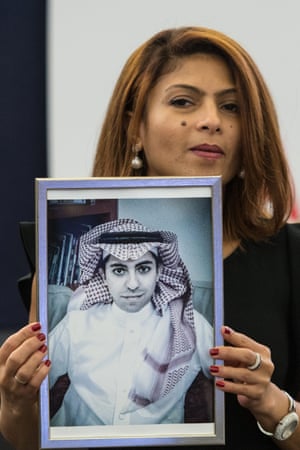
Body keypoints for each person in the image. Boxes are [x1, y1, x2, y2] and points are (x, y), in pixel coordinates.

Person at [0, 25, 299, 450]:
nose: (212, 121)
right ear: (135, 127)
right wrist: (14, 400)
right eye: (183, 101)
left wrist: (273, 403)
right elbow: (32, 439)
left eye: (231, 107)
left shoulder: (287, 258)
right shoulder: (75, 313)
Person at [48, 218, 212, 426]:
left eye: (143, 269)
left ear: (159, 271)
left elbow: (230, 378)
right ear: (103, 275)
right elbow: (36, 382)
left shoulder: (189, 326)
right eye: (119, 270)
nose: (133, 284)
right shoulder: (77, 323)